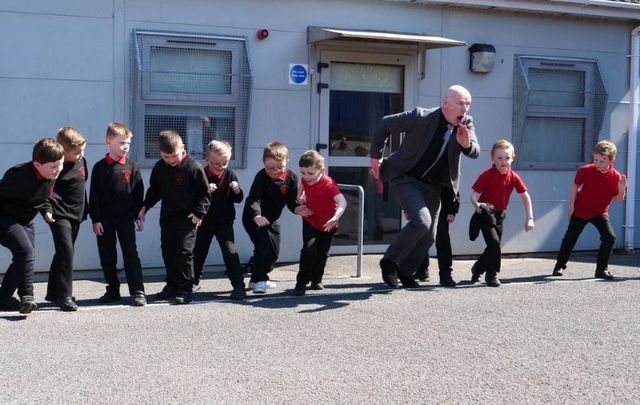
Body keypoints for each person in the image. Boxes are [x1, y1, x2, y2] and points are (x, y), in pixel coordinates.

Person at [369, 84, 480, 288]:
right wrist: (375, 156)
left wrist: (466, 144)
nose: (464, 109)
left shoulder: (466, 123)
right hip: (406, 177)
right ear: (445, 103)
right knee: (422, 221)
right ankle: (389, 262)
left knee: (429, 236)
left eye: (468, 104)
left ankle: (405, 271)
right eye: (460, 103)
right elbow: (385, 124)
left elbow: (475, 151)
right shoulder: (420, 116)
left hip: (434, 185)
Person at [138, 130, 210, 305]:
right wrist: (145, 207)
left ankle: (186, 288)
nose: (170, 160)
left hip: (188, 218)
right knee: (168, 250)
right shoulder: (159, 167)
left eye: (174, 156)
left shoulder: (193, 167)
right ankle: (172, 285)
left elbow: (205, 193)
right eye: (166, 156)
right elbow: (154, 191)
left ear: (183, 149)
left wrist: (199, 212)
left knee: (184, 252)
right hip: (168, 216)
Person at [0, 138, 64, 314]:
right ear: (37, 164)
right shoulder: (17, 175)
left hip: (25, 220)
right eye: (53, 167)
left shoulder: (51, 175)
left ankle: (3, 297)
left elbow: (42, 197)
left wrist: (47, 211)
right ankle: (27, 297)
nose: (58, 170)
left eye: (61, 165)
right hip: (5, 218)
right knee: (25, 252)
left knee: (24, 257)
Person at [551, 140, 627, 280]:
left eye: (602, 161)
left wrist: (622, 189)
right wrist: (571, 205)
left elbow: (617, 200)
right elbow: (575, 187)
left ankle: (601, 270)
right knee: (570, 237)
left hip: (600, 212)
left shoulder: (616, 177)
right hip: (581, 210)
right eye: (596, 159)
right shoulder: (585, 170)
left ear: (611, 160)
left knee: (609, 238)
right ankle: (559, 266)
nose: (598, 163)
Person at [90, 123, 146, 307]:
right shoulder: (99, 167)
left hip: (125, 219)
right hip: (105, 220)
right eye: (121, 143)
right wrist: (96, 219)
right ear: (109, 142)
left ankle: (138, 291)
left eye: (128, 143)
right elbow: (94, 196)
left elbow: (138, 193)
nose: (125, 147)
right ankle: (113, 290)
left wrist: (139, 217)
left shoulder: (132, 166)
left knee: (131, 253)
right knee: (107, 255)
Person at [469, 139, 534, 287]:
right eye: (499, 158)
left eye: (507, 158)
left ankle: (477, 268)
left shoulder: (513, 176)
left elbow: (525, 196)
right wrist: (477, 205)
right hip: (485, 215)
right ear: (493, 158)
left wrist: (530, 218)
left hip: (499, 216)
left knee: (494, 246)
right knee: (494, 244)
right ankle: (492, 275)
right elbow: (473, 195)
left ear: (513, 158)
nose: (503, 161)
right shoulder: (487, 175)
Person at [192, 140, 246, 300]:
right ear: (207, 158)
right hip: (204, 220)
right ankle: (193, 282)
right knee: (199, 251)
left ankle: (238, 286)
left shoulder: (230, 174)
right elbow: (193, 197)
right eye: (216, 164)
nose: (220, 167)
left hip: (224, 221)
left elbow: (238, 199)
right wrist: (205, 191)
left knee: (230, 251)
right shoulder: (200, 173)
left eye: (224, 163)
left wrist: (237, 190)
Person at [242, 141, 298, 294]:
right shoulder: (261, 176)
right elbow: (253, 199)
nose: (275, 171)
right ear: (263, 163)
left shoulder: (291, 177)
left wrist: (300, 209)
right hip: (253, 217)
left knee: (274, 252)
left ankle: (255, 279)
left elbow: (292, 202)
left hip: (272, 219)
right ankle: (261, 280)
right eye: (270, 168)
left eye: (280, 168)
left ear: (287, 161)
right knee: (263, 248)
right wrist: (257, 215)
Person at [45, 127, 89, 311]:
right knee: (66, 252)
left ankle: (53, 292)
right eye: (76, 152)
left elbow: (81, 185)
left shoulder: (82, 161)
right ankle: (65, 296)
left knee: (63, 252)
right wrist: (47, 194)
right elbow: (41, 183)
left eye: (82, 151)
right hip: (59, 214)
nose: (80, 155)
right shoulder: (56, 166)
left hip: (77, 214)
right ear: (63, 151)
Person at [293, 150, 347, 296]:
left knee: (322, 253)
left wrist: (336, 217)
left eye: (310, 173)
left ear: (321, 170)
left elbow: (342, 201)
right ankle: (301, 283)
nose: (306, 177)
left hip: (328, 224)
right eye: (303, 173)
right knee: (308, 249)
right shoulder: (305, 180)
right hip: (311, 220)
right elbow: (302, 188)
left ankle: (316, 280)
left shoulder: (329, 185)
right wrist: (300, 199)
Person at [413, 186, 460, 287]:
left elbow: (453, 185)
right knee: (422, 237)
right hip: (423, 203)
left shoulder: (445, 170)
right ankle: (422, 269)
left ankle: (445, 274)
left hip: (442, 204)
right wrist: (408, 207)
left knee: (442, 239)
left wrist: (452, 209)